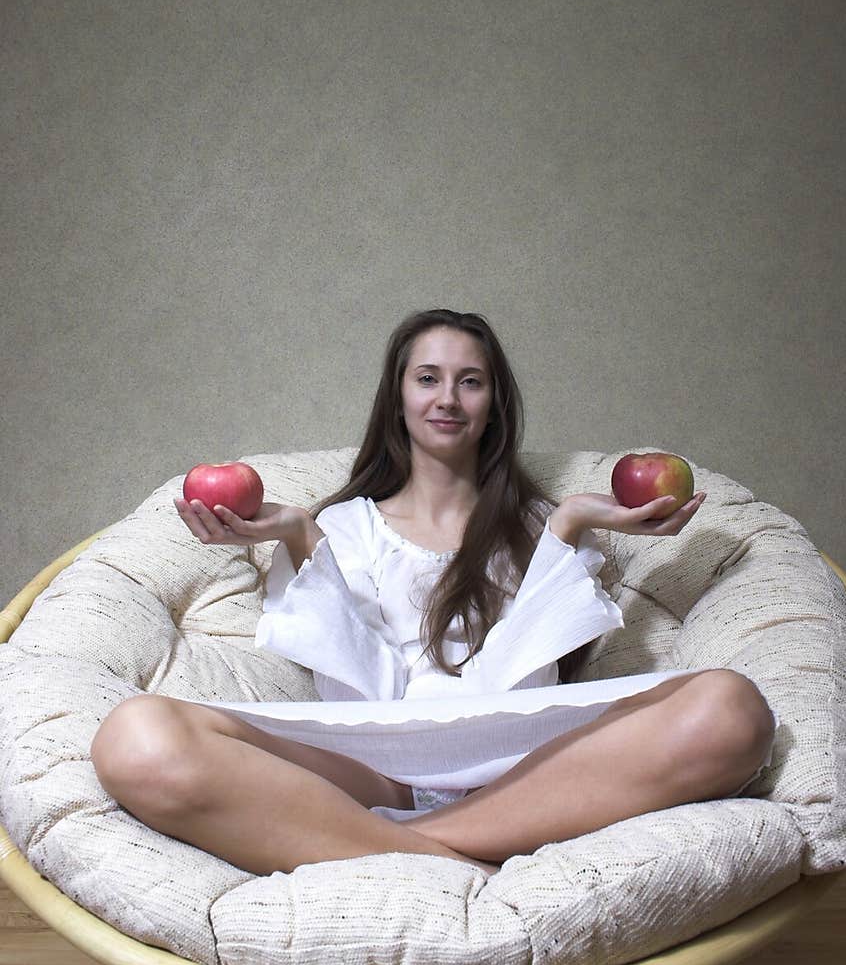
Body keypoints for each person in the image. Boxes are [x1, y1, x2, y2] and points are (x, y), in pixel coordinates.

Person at [90, 308, 776, 880]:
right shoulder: (341, 526)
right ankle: (456, 856)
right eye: (428, 378)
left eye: (470, 381)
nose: (448, 397)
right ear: (398, 398)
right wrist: (300, 536)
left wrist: (566, 528)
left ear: (494, 404)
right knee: (134, 737)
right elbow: (364, 693)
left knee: (734, 708)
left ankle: (421, 842)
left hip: (526, 760)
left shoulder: (542, 525)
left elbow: (519, 688)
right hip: (372, 767)